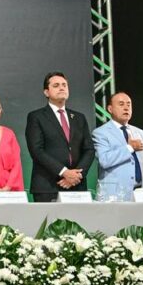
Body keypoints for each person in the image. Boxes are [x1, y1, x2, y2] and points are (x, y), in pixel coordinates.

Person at [25, 71, 95, 202]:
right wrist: (64, 172)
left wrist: (77, 176)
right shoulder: (36, 117)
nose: (62, 88)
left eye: (64, 85)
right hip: (48, 186)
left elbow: (89, 149)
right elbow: (36, 150)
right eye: (56, 85)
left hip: (77, 185)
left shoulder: (79, 117)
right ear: (46, 92)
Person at [92, 92, 143, 201]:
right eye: (121, 104)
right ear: (110, 109)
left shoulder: (139, 132)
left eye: (129, 104)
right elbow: (104, 160)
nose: (126, 108)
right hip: (114, 195)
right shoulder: (100, 133)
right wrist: (129, 148)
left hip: (140, 194)